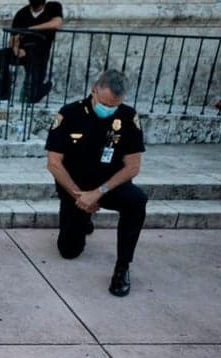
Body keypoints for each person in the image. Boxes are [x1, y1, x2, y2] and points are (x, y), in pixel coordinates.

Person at [45, 69, 147, 297]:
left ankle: (123, 267)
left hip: (109, 186)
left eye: (114, 105)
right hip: (76, 188)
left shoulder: (128, 117)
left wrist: (98, 192)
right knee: (69, 250)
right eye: (104, 103)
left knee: (137, 201)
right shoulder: (69, 114)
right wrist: (79, 196)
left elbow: (133, 166)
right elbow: (53, 163)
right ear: (93, 89)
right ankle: (83, 219)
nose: (108, 109)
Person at [0, 0, 62, 103]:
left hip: (40, 54)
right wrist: (16, 49)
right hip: (23, 50)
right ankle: (3, 93)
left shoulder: (53, 7)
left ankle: (44, 87)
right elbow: (14, 36)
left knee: (33, 97)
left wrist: (30, 29)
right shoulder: (22, 13)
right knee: (2, 55)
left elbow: (56, 23)